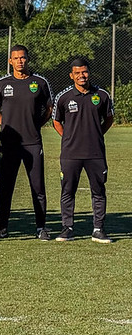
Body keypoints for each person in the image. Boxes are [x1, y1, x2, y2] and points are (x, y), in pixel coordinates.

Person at [0, 45, 53, 240]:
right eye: (16, 58)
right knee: (6, 186)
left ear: (28, 59)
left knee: (38, 187)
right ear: (10, 61)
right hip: (9, 144)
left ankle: (41, 227)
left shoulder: (40, 82)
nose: (20, 61)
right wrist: (7, 126)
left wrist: (35, 125)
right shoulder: (2, 84)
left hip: (32, 143)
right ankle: (2, 227)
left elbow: (49, 109)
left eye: (23, 58)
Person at [52, 58, 114, 243]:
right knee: (68, 191)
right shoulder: (63, 97)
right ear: (71, 75)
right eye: (77, 73)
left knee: (98, 191)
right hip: (71, 154)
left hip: (95, 153)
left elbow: (109, 119)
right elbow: (56, 121)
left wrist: (97, 135)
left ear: (89, 73)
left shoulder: (102, 95)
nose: (82, 76)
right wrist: (69, 138)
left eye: (84, 72)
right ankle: (67, 228)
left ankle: (98, 229)